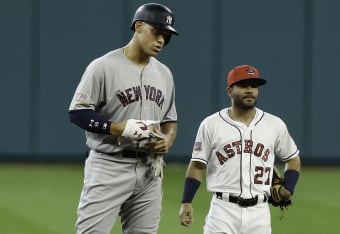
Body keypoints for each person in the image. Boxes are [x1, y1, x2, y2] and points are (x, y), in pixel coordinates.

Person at [68, 3, 179, 233]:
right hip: (109, 166)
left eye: (166, 36)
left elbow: (170, 120)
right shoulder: (103, 66)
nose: (161, 41)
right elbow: (78, 113)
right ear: (139, 26)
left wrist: (167, 140)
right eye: (157, 32)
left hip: (150, 170)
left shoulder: (164, 74)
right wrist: (118, 128)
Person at [178, 64, 301, 234]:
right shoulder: (211, 124)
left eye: (254, 85)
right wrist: (187, 201)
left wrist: (288, 189)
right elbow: (197, 165)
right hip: (222, 211)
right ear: (230, 91)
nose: (250, 90)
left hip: (260, 212)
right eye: (243, 85)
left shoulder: (275, 124)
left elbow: (293, 158)